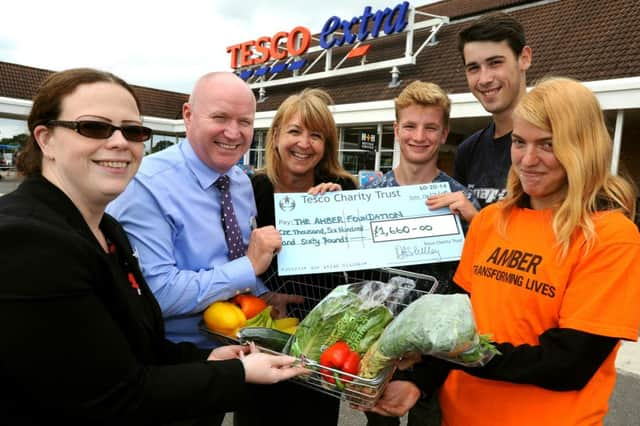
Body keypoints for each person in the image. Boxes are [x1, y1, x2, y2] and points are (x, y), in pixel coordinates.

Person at [0, 68, 306, 426]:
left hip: (195, 363)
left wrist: (257, 301)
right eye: (94, 127)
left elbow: (134, 323)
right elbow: (114, 388)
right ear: (45, 138)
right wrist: (236, 369)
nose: (118, 142)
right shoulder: (28, 238)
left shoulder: (106, 226)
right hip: (158, 395)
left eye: (132, 131)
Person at [370, 77, 640, 426]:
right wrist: (419, 383)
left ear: (582, 146)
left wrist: (464, 356)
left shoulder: (610, 236)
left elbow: (568, 363)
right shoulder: (491, 221)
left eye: (547, 144)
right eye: (519, 141)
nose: (528, 159)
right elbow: (455, 321)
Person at [107, 72, 299, 348]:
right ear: (188, 115)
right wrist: (248, 267)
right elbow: (156, 294)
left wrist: (262, 295)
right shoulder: (147, 185)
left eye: (244, 122)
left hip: (243, 346)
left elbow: (229, 259)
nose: (233, 133)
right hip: (177, 359)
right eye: (220, 118)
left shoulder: (241, 182)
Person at [235, 88, 357, 426]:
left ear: (326, 146)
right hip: (261, 325)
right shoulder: (250, 190)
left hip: (320, 336)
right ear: (275, 136)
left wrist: (341, 210)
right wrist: (263, 294)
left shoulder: (342, 189)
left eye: (316, 135)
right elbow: (229, 256)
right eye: (294, 131)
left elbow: (361, 264)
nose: (304, 143)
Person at [363, 81, 479, 426]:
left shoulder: (459, 199)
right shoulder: (369, 195)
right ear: (397, 130)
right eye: (410, 126)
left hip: (436, 351)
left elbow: (479, 274)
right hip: (378, 336)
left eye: (430, 127)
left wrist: (476, 222)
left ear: (444, 133)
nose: (419, 136)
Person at [428, 12, 532, 217]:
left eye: (495, 63)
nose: (484, 79)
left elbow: (563, 236)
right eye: (474, 68)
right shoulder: (468, 151)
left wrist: (477, 220)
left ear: (525, 59)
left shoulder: (556, 141)